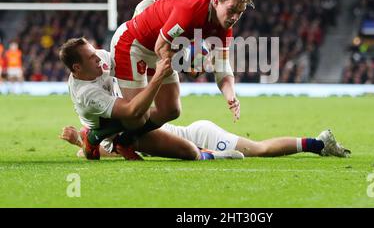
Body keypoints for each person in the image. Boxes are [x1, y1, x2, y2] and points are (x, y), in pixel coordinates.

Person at [59, 37, 244, 161]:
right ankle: (95, 138)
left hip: (128, 119)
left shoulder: (101, 58)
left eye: (95, 53)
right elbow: (132, 110)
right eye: (92, 58)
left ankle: (98, 140)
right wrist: (158, 77)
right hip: (115, 132)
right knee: (189, 151)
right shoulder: (86, 94)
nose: (98, 58)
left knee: (170, 111)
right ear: (77, 68)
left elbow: (131, 68)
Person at [110, 0, 254, 129]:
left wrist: (231, 96)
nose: (234, 18)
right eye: (232, 10)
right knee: (137, 114)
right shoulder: (190, 11)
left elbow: (222, 66)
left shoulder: (224, 26)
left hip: (160, 49)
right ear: (216, 1)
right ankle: (97, 133)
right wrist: (188, 67)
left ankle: (125, 141)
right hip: (133, 44)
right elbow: (160, 47)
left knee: (171, 110)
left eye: (240, 12)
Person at [60, 119, 351, 159]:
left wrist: (79, 144)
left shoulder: (121, 131)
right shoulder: (114, 136)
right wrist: (79, 144)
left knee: (258, 150)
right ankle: (319, 144)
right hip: (193, 139)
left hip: (199, 135)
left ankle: (319, 143)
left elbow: (105, 155)